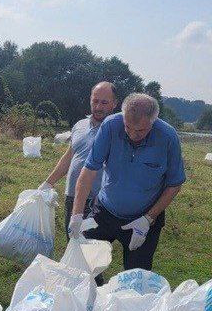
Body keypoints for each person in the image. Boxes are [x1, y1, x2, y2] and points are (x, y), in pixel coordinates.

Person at [68, 92, 185, 271]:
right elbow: (89, 170)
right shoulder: (110, 126)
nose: (133, 134)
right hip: (104, 211)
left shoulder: (168, 137)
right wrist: (76, 215)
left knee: (136, 275)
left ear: (153, 122)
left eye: (141, 131)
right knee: (84, 266)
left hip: (143, 216)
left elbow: (174, 183)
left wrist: (148, 219)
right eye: (128, 127)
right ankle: (92, 294)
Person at [39, 81, 118, 237]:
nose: (98, 107)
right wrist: (48, 183)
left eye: (104, 102)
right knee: (72, 243)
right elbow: (69, 157)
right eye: (95, 101)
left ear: (114, 103)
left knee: (91, 249)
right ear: (90, 99)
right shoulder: (79, 125)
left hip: (99, 201)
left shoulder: (117, 130)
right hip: (72, 197)